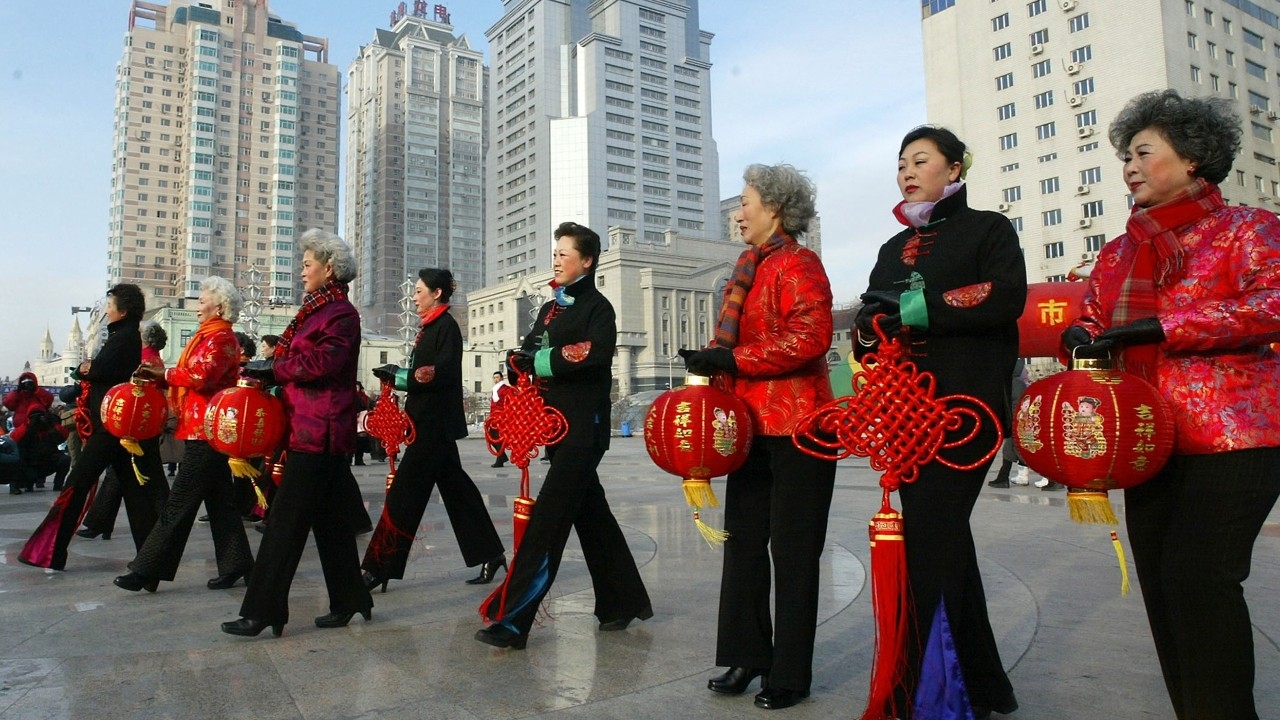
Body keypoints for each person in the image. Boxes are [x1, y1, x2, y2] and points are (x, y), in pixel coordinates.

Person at [1060, 90, 1280, 720]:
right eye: (1125, 154)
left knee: (1200, 581)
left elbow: (1273, 304)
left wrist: (1164, 326)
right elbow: (1093, 315)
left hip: (1234, 437)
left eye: (1143, 152)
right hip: (1146, 440)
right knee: (1162, 588)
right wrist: (1080, 335)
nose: (1128, 166)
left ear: (1193, 161)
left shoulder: (1248, 229)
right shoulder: (1119, 250)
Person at [854, 126, 1025, 719]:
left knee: (931, 537)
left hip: (964, 413)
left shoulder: (989, 229)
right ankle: (982, 686)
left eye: (921, 160)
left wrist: (912, 310)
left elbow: (1003, 296)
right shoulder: (892, 247)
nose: (907, 170)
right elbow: (871, 319)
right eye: (901, 162)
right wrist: (867, 331)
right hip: (905, 416)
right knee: (944, 540)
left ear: (954, 170)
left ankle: (923, 694)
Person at [679, 164, 836, 711]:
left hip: (801, 428)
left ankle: (790, 672)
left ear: (774, 207)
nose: (737, 212)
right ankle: (748, 654)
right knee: (743, 545)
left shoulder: (799, 264)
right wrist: (711, 361)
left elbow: (811, 338)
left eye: (744, 202)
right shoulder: (747, 268)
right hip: (750, 427)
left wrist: (734, 357)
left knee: (794, 551)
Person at [475, 221, 652, 650]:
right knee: (594, 521)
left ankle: (514, 620)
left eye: (564, 253)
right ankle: (621, 601)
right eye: (555, 253)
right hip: (554, 428)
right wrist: (521, 357)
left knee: (548, 522)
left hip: (582, 431)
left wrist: (538, 360)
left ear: (586, 261)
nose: (556, 259)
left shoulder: (598, 308)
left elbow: (591, 354)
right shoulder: (550, 308)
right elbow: (530, 348)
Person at [222, 229, 372, 638]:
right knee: (332, 524)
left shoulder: (341, 313)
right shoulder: (315, 310)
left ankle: (263, 609)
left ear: (329, 268)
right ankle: (351, 599)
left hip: (318, 429)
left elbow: (324, 362)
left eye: (307, 265)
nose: (301, 272)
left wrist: (275, 367)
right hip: (306, 426)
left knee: (283, 524)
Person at [362, 268, 507, 593]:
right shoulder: (429, 328)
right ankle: (492, 553)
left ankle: (376, 568)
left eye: (418, 290)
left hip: (434, 427)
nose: (414, 296)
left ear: (436, 293)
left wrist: (399, 376)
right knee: (459, 494)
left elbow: (438, 373)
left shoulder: (447, 328)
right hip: (430, 425)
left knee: (403, 496)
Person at [114, 277, 253, 593]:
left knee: (178, 503)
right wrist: (160, 379)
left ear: (218, 305)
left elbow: (202, 376)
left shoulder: (221, 339)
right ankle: (237, 564)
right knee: (220, 503)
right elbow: (188, 378)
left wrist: (163, 374)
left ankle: (148, 569)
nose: (198, 306)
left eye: (202, 300)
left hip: (207, 430)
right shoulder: (208, 337)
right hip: (200, 428)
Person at [18, 284, 169, 571]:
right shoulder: (123, 337)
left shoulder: (124, 338)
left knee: (77, 485)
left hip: (110, 428)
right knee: (137, 498)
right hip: (115, 428)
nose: (105, 311)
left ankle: (49, 550)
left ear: (122, 311)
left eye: (109, 306)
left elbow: (100, 371)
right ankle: (151, 565)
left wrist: (89, 369)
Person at [79, 322, 174, 538]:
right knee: (126, 473)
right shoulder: (154, 358)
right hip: (144, 422)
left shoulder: (144, 360)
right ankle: (100, 521)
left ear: (146, 338)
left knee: (138, 474)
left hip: (136, 424)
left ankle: (163, 519)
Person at [488, 371, 511, 468]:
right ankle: (502, 457)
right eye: (494, 377)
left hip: (501, 417)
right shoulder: (494, 389)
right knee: (492, 438)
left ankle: (500, 459)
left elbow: (509, 402)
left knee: (497, 438)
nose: (496, 379)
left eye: (497, 377)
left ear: (501, 378)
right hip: (494, 417)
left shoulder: (505, 389)